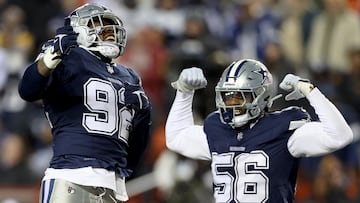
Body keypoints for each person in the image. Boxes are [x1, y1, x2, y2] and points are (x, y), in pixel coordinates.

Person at [165, 59, 353, 203]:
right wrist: (184, 92)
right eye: (227, 97)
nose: (230, 105)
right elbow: (175, 138)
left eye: (239, 97)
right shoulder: (217, 129)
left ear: (261, 96)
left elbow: (340, 136)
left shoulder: (283, 129)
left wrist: (310, 91)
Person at [18, 3, 151, 203]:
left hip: (112, 184)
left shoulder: (129, 76)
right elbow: (27, 90)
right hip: (72, 176)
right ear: (79, 29)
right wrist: (52, 56)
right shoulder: (68, 56)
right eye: (102, 27)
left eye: (112, 30)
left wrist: (143, 112)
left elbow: (139, 138)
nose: (110, 34)